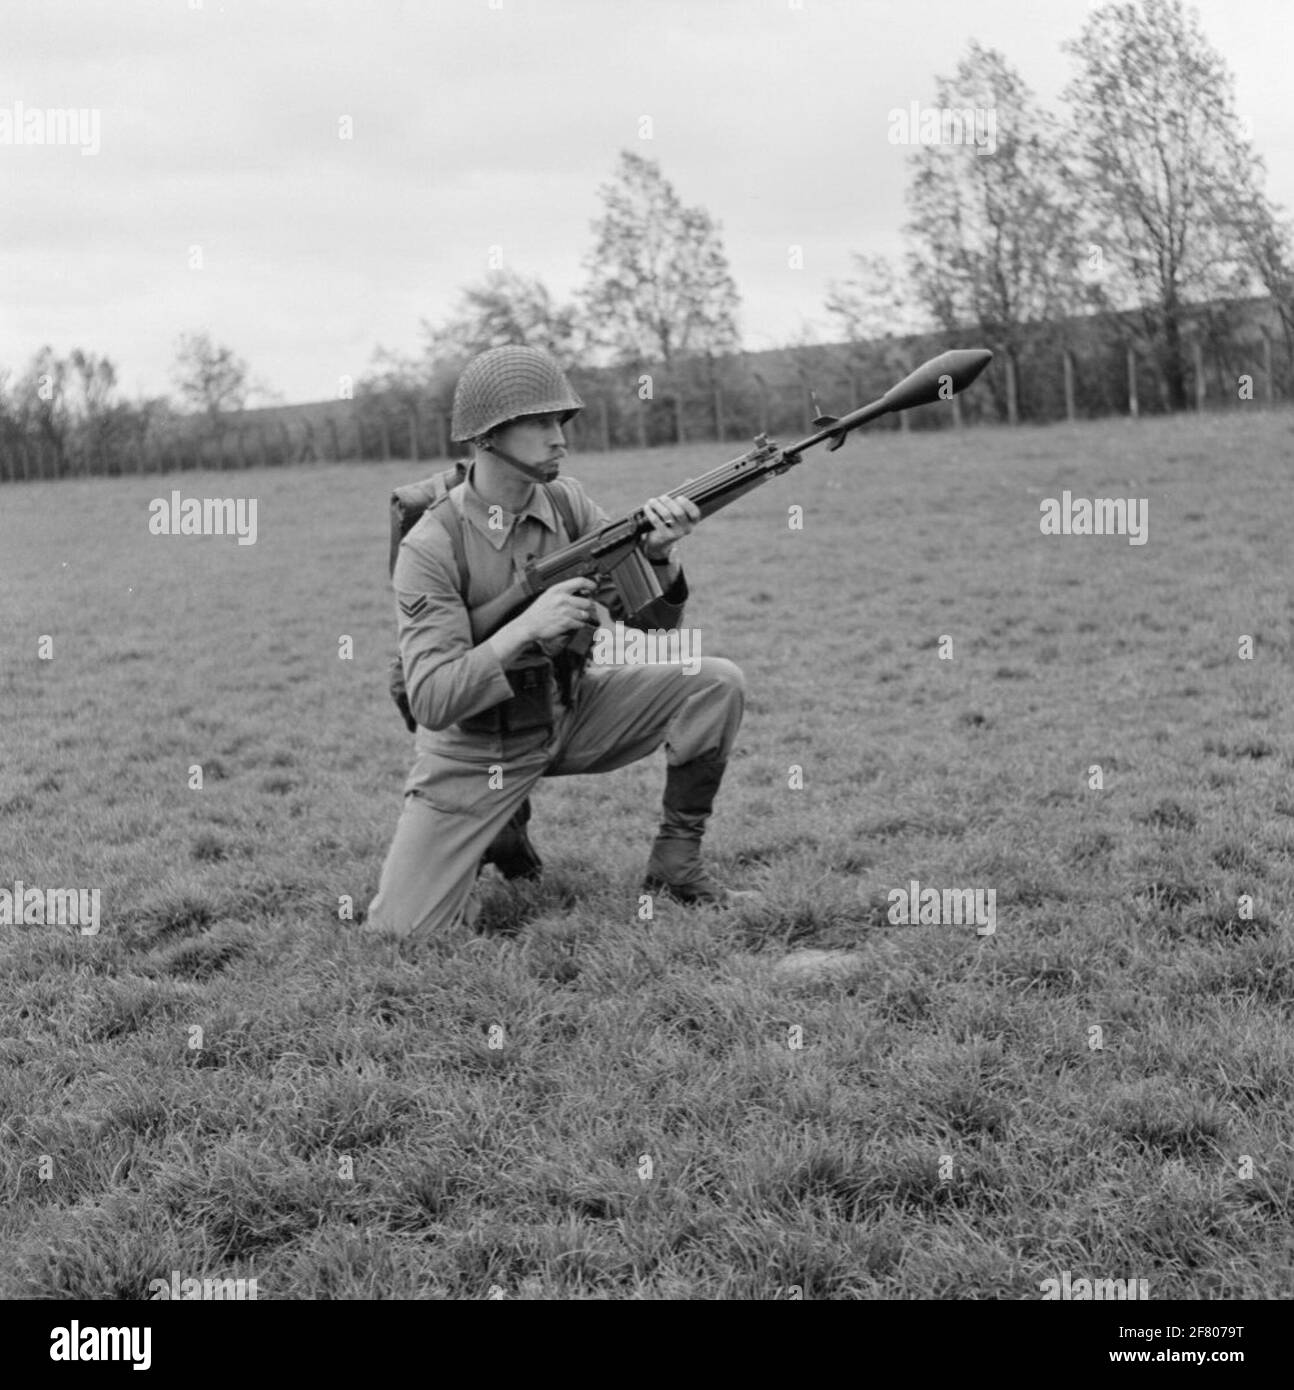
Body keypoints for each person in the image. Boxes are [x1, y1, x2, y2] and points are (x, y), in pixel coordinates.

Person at [365, 345, 755, 943]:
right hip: (476, 750)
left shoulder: (568, 504)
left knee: (714, 682)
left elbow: (652, 628)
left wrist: (659, 556)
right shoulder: (433, 544)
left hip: (565, 713)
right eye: (542, 423)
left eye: (562, 422)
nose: (560, 438)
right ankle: (500, 829)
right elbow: (432, 700)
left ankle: (675, 864)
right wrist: (525, 626)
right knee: (402, 936)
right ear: (490, 435)